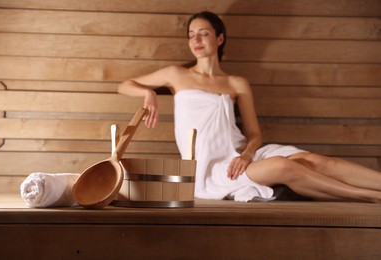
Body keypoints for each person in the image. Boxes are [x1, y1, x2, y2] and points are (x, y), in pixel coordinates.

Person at [118, 11, 381, 203]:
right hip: (212, 168)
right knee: (283, 166)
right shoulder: (176, 75)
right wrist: (149, 92)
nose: (196, 40)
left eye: (204, 33)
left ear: (219, 39)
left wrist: (246, 155)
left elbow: (254, 134)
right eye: (191, 35)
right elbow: (124, 85)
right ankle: (368, 196)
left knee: (314, 160)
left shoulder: (237, 83)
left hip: (245, 155)